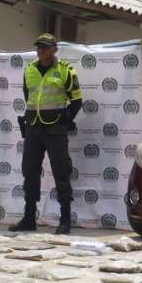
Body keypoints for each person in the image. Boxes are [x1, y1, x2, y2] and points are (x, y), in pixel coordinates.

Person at [10, 33, 84, 234]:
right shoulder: (29, 70)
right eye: (39, 47)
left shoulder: (66, 71)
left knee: (61, 172)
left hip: (55, 129)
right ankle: (28, 219)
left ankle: (65, 220)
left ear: (55, 50)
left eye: (45, 47)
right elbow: (29, 97)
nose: (41, 50)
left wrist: (65, 122)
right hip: (33, 127)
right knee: (30, 172)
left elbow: (77, 101)